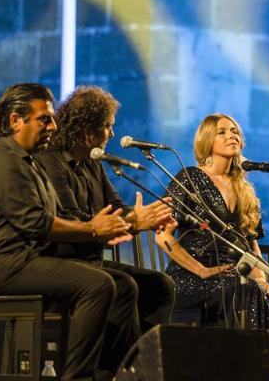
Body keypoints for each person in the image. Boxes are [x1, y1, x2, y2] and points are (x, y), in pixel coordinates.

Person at [0, 83, 137, 380]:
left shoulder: (30, 162)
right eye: (44, 119)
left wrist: (113, 224)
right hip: (6, 266)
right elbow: (39, 224)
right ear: (15, 121)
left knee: (123, 285)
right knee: (98, 285)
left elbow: (55, 217)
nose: (53, 124)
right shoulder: (4, 163)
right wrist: (92, 229)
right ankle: (77, 377)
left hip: (30, 260)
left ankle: (116, 374)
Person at [35, 85, 175, 340]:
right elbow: (72, 219)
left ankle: (145, 364)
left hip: (90, 261)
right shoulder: (50, 161)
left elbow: (116, 207)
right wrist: (133, 221)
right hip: (60, 264)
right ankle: (118, 370)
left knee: (160, 286)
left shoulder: (92, 161)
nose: (112, 133)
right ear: (88, 133)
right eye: (108, 126)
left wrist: (143, 214)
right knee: (123, 286)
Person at [155, 113, 269, 341]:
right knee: (250, 291)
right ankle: (263, 369)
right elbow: (162, 237)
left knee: (256, 289)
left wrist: (261, 278)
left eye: (235, 131)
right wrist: (202, 270)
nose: (231, 136)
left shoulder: (244, 189)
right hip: (189, 278)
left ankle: (254, 367)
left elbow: (251, 244)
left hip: (233, 277)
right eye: (222, 132)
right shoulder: (189, 178)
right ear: (207, 140)